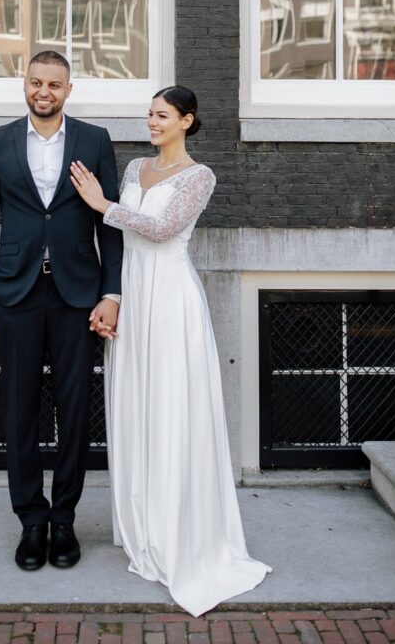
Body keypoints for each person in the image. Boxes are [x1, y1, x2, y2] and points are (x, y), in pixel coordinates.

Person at [70, 85, 272, 615]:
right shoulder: (135, 167)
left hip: (171, 296)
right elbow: (122, 237)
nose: (152, 122)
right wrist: (109, 292)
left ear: (187, 120)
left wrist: (104, 205)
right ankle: (144, 525)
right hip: (132, 292)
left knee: (171, 406)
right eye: (149, 114)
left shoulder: (200, 177)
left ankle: (181, 531)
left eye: (161, 115)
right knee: (136, 404)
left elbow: (162, 230)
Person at [0, 50, 123, 572]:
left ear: (69, 89)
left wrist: (112, 292)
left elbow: (110, 223)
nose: (44, 92)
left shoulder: (95, 141)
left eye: (54, 84)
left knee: (75, 413)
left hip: (78, 296)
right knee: (20, 411)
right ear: (25, 84)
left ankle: (64, 520)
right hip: (16, 295)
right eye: (36, 82)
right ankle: (31, 522)